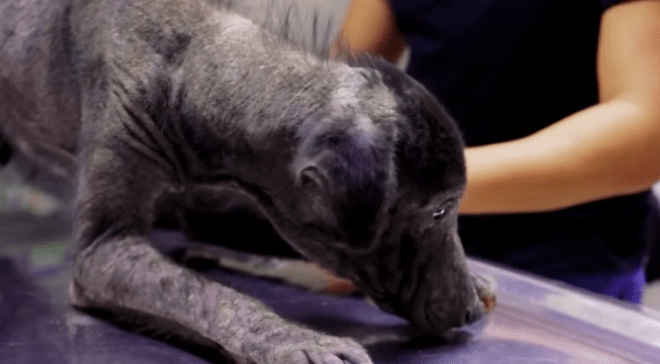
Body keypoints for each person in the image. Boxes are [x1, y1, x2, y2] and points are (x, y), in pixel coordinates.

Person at [332, 0, 660, 303]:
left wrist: (410, 187)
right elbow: (340, 83)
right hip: (408, 253)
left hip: (566, 268)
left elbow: (645, 137)